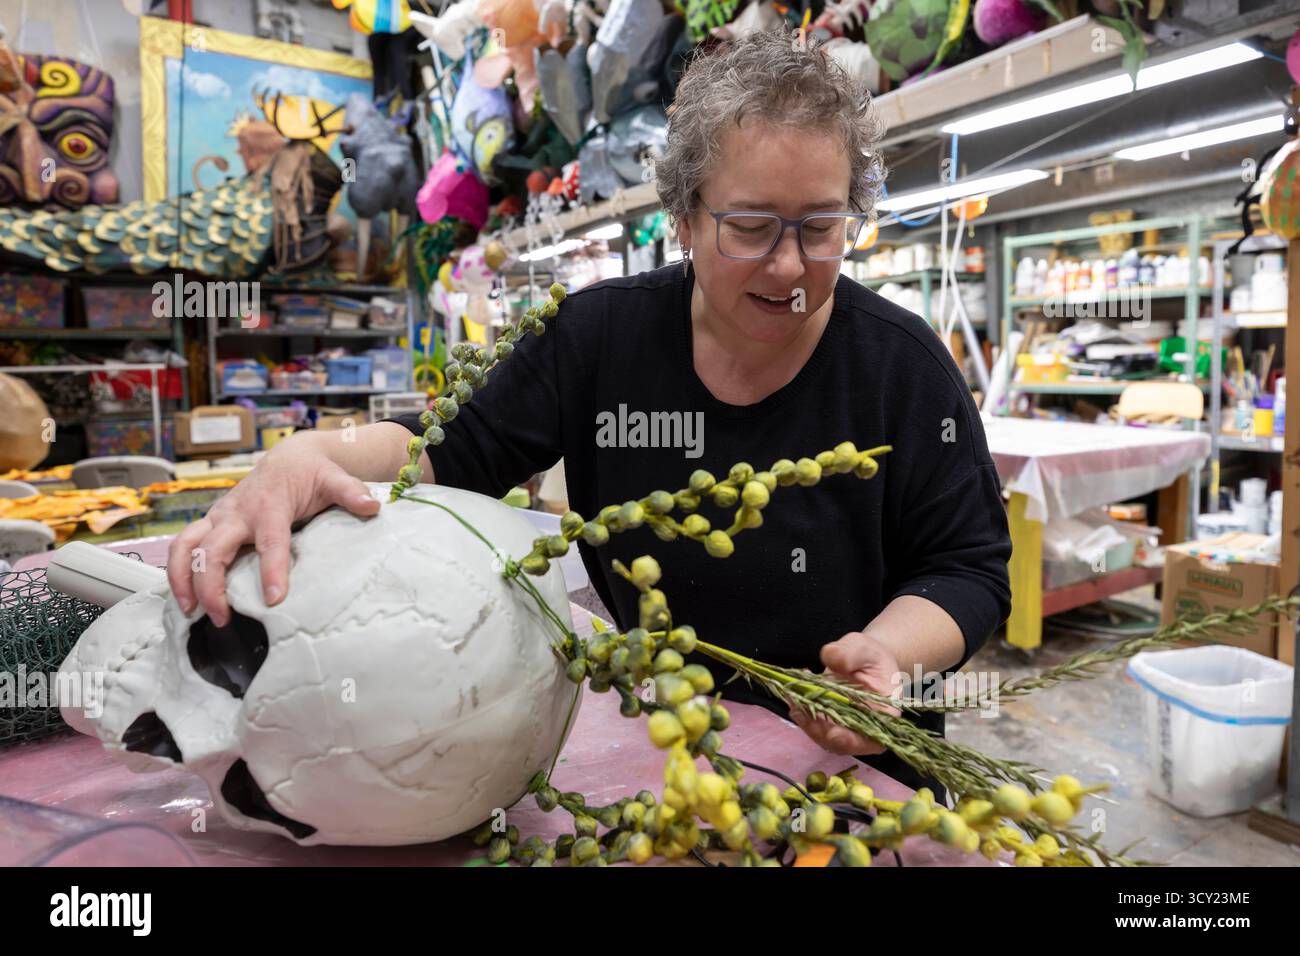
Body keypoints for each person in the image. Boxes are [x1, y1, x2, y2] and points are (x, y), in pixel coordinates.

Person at [168, 29, 1011, 798]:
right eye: (750, 227)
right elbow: (449, 453)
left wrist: (886, 655)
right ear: (683, 218)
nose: (789, 265)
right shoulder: (599, 340)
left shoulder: (903, 370)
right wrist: (308, 456)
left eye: (822, 227)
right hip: (668, 761)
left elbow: (969, 569)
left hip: (859, 775)